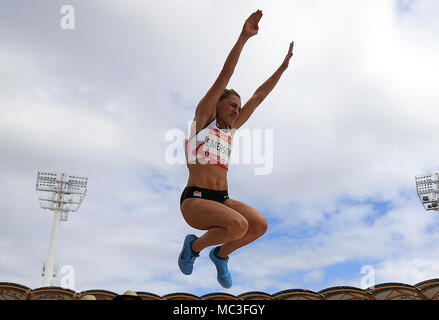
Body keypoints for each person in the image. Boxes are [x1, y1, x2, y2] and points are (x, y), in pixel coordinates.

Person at [178, 9, 294, 288]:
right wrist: (243, 38)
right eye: (232, 105)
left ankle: (221, 255)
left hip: (222, 199)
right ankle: (193, 248)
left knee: (259, 225)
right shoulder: (203, 119)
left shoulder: (232, 128)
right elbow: (225, 73)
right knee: (239, 225)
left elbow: (259, 96)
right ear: (218, 103)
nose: (236, 111)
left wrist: (282, 69)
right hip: (195, 200)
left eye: (238, 109)